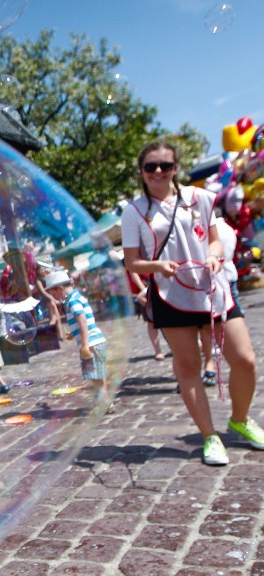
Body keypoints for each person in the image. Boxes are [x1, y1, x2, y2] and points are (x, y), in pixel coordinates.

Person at [122, 141, 261, 465]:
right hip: (172, 295)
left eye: (166, 166)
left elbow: (213, 239)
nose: (158, 172)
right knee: (188, 367)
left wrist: (214, 256)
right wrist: (157, 267)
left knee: (244, 360)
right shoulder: (135, 211)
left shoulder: (200, 198)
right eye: (151, 166)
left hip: (212, 289)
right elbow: (131, 262)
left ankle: (240, 419)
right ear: (141, 171)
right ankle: (209, 436)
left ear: (175, 168)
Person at [43, 270, 115, 415]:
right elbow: (82, 322)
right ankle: (103, 402)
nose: (55, 297)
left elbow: (82, 321)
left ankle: (105, 403)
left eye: (54, 293)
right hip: (95, 341)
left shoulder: (72, 300)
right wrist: (73, 333)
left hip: (91, 343)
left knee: (96, 376)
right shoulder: (76, 297)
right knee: (97, 375)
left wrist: (84, 344)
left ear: (60, 288)